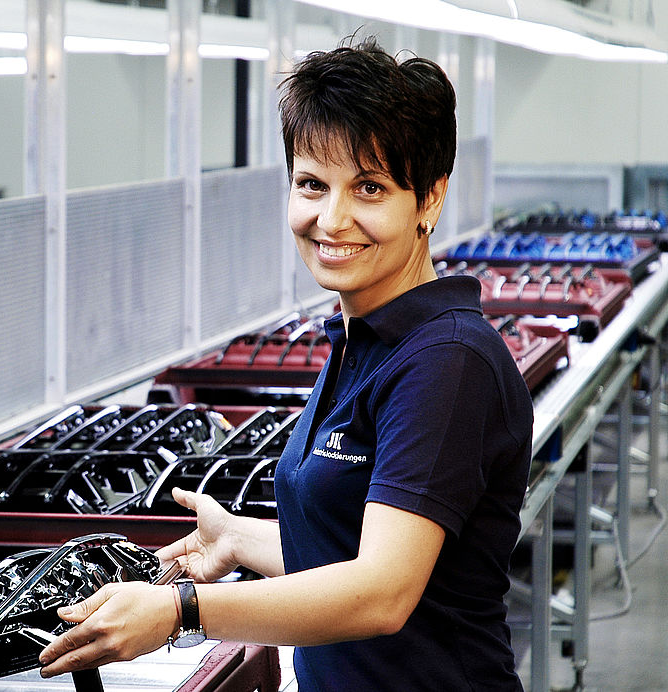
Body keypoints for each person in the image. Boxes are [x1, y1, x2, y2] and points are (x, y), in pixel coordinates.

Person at [38, 36, 533, 691]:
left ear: (430, 200)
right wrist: (242, 540)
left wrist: (180, 612)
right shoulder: (362, 338)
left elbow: (381, 592)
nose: (332, 218)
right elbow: (349, 551)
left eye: (369, 187)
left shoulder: (446, 362)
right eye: (311, 184)